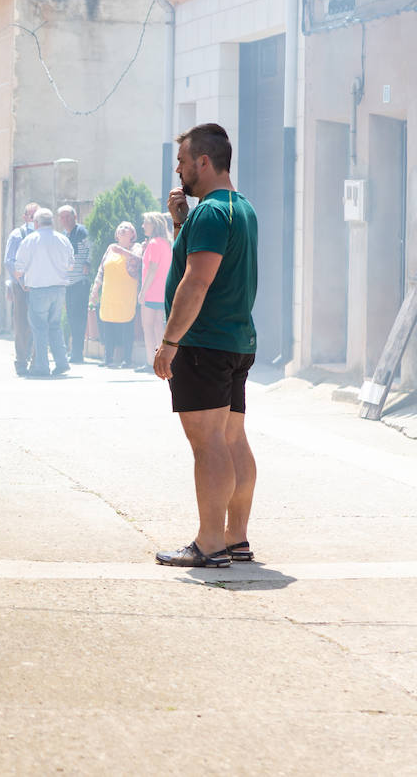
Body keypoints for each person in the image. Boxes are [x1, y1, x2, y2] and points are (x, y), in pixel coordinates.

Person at [153, 123, 259, 569]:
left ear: (203, 161)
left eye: (182, 161)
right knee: (232, 439)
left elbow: (197, 281)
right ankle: (235, 537)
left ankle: (211, 542)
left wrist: (169, 342)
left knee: (208, 444)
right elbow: (197, 264)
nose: (177, 170)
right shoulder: (241, 208)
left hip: (204, 344)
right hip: (234, 340)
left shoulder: (212, 213)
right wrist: (180, 222)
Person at [12, 207, 74, 378]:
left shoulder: (30, 240)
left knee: (39, 328)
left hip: (38, 290)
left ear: (36, 223)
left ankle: (42, 366)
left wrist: (22, 281)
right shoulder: (63, 239)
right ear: (52, 222)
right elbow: (71, 265)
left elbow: (18, 268)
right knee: (55, 326)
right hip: (59, 289)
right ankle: (61, 363)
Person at [88, 221, 142, 368]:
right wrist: (95, 290)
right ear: (117, 234)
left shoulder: (136, 248)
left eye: (126, 228)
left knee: (127, 325)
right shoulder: (110, 248)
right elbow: (101, 270)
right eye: (120, 228)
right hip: (109, 293)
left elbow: (138, 261)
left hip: (126, 293)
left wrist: (122, 251)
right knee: (107, 323)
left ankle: (127, 359)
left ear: (132, 234)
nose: (123, 230)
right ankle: (108, 358)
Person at [4, 202, 40, 375]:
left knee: (37, 325)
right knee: (21, 324)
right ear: (25, 217)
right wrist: (22, 280)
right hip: (21, 286)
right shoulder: (17, 235)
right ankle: (20, 360)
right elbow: (9, 261)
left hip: (39, 286)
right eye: (31, 216)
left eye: (37, 216)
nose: (34, 219)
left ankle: (35, 359)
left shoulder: (43, 235)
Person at [136, 211, 173, 374]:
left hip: (152, 291)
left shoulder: (154, 243)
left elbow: (152, 269)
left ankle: (151, 361)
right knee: (159, 327)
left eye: (146, 223)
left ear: (154, 225)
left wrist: (143, 292)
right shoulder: (167, 242)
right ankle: (161, 361)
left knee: (148, 327)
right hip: (164, 291)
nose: (143, 226)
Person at [56, 205, 91, 364]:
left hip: (79, 282)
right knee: (70, 318)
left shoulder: (81, 231)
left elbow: (89, 248)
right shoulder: (64, 235)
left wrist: (88, 263)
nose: (65, 220)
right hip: (68, 283)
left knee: (79, 318)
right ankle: (73, 351)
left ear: (74, 217)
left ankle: (78, 352)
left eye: (68, 217)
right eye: (62, 217)